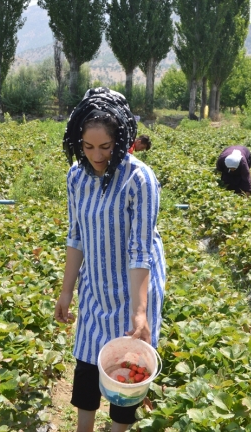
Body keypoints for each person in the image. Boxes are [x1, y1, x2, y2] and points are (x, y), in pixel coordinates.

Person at [56, 87, 166, 432]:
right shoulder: (76, 176)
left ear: (121, 140)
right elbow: (76, 236)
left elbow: (140, 249)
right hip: (96, 282)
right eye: (87, 147)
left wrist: (139, 310)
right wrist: (65, 291)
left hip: (136, 284)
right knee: (87, 362)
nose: (96, 155)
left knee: (127, 371)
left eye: (105, 147)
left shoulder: (139, 179)